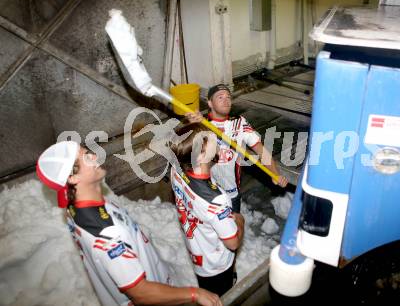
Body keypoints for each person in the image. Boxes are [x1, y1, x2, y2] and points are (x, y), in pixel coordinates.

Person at [36, 141, 222, 306]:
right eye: (86, 156)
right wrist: (195, 293)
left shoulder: (75, 207)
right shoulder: (107, 234)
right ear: (72, 178)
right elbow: (141, 293)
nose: (94, 155)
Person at [186, 84, 288, 213]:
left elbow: (262, 151)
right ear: (210, 103)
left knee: (235, 228)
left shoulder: (239, 123)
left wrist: (275, 174)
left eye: (228, 97)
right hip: (206, 191)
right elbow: (189, 155)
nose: (226, 100)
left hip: (231, 192)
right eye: (220, 97)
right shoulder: (200, 123)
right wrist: (193, 125)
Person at [169, 124, 245, 296]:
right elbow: (233, 243)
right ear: (201, 155)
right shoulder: (216, 200)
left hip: (198, 253)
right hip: (216, 266)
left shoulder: (176, 170)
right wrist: (240, 220)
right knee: (222, 297)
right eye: (211, 139)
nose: (215, 138)